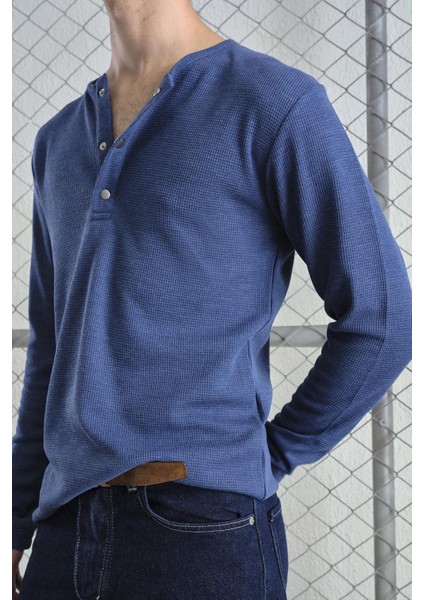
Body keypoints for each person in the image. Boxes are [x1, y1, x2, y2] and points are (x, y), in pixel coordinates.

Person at [12, 0, 412, 598]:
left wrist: (272, 455)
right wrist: (15, 518)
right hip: (62, 534)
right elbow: (50, 348)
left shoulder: (274, 104)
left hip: (204, 534)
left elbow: (381, 320)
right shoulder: (57, 140)